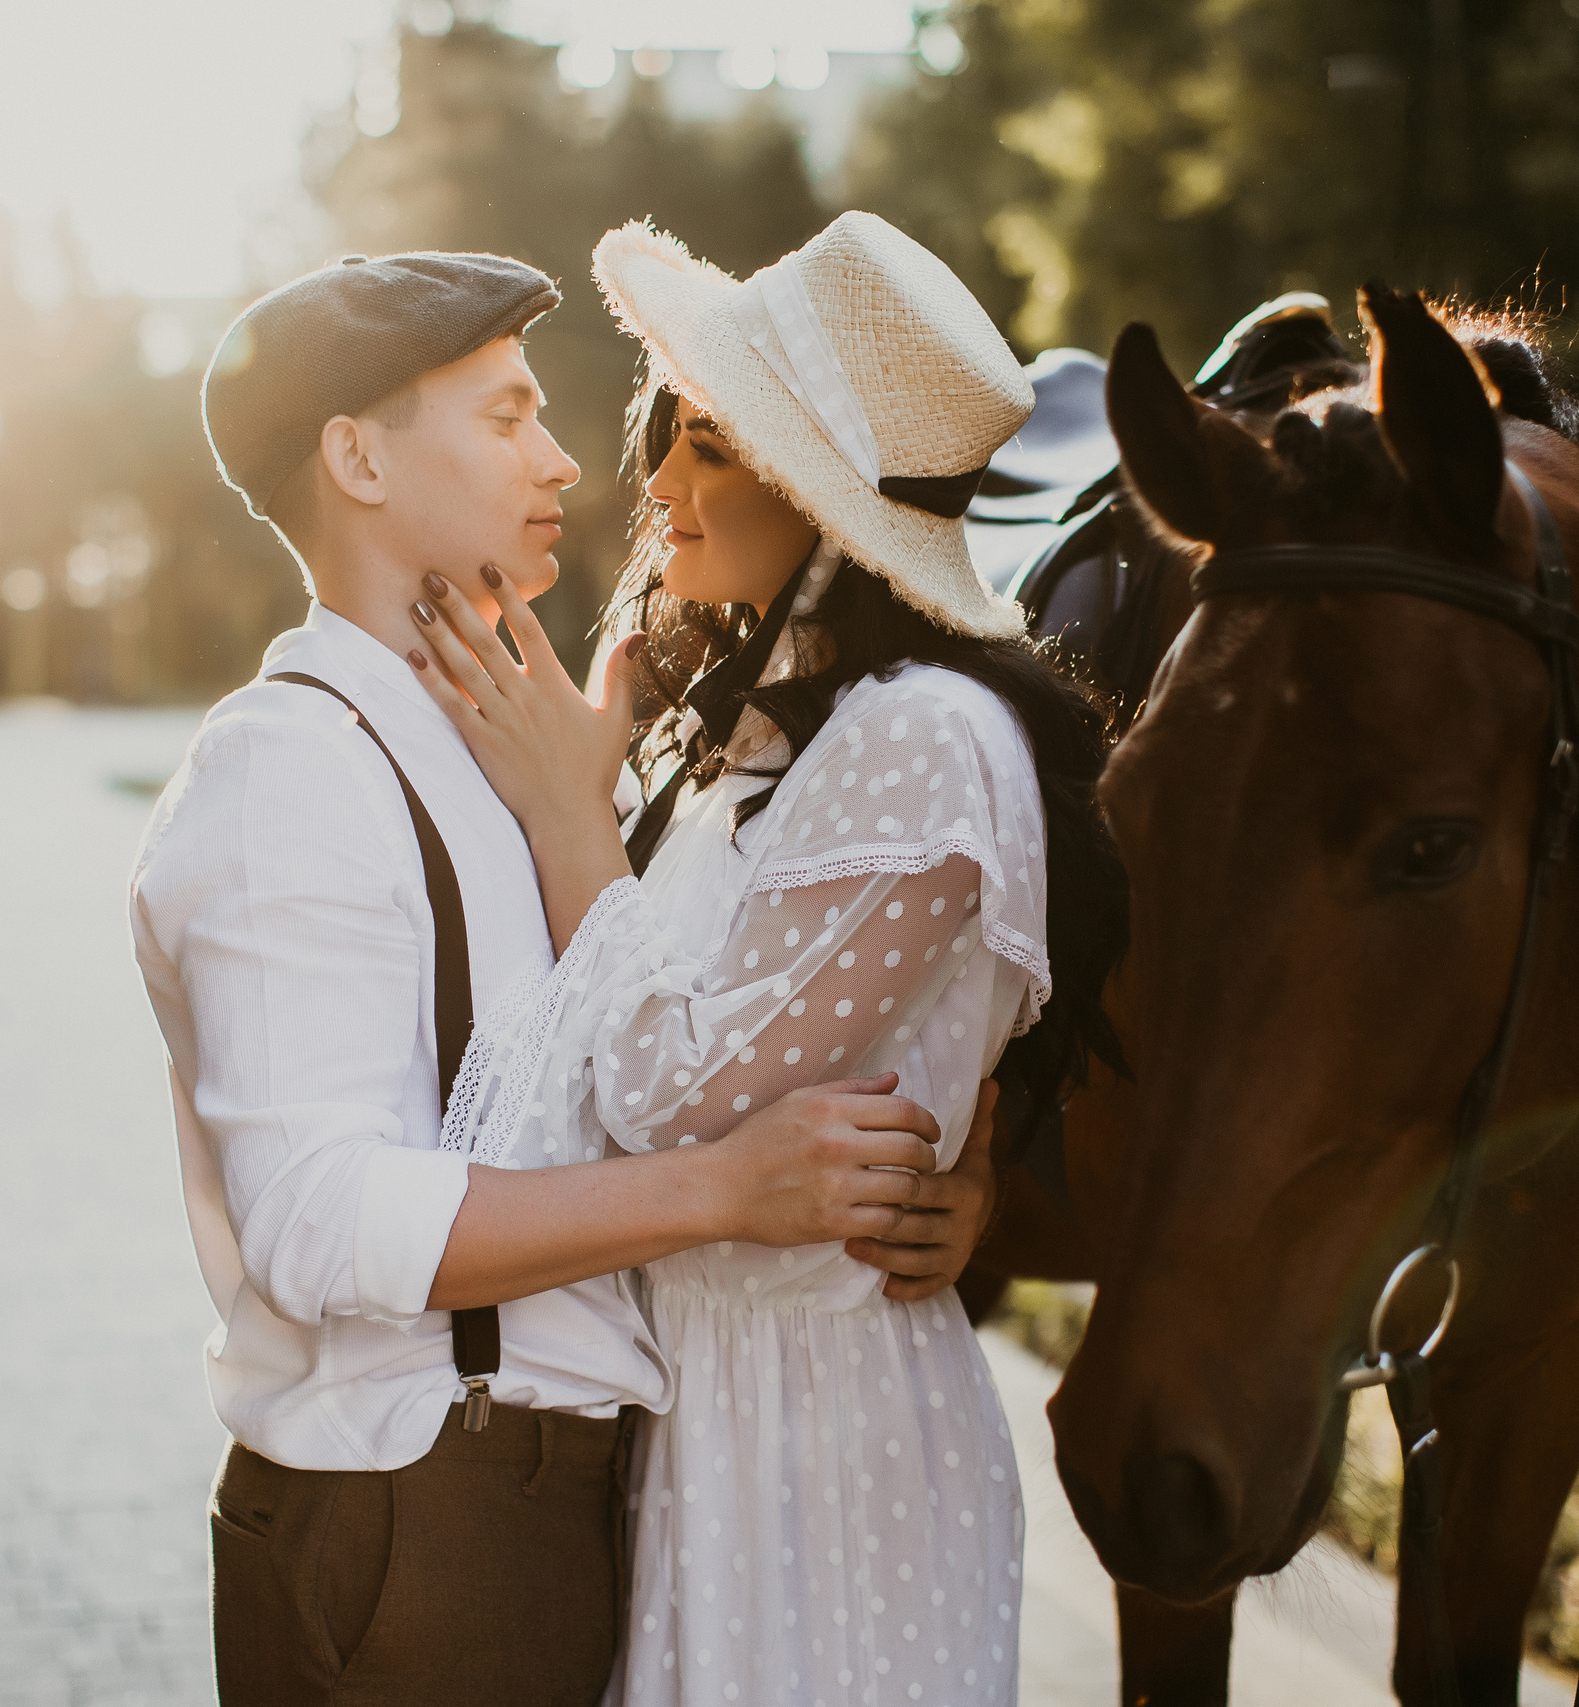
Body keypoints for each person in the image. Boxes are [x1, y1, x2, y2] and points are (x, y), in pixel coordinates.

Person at [129, 249, 998, 1707]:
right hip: (422, 1509)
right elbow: (321, 1221)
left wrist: (937, 1192)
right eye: (506, 416)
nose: (565, 464)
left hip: (557, 1504)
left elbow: (640, 1062)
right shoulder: (291, 766)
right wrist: (729, 1191)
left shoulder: (496, 750)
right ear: (355, 457)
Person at [405, 212, 1124, 1707]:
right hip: (689, 1406)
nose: (656, 478)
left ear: (826, 494)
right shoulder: (738, 718)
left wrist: (563, 814)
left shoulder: (925, 741)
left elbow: (670, 1090)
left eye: (712, 446)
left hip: (814, 1446)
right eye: (671, 430)